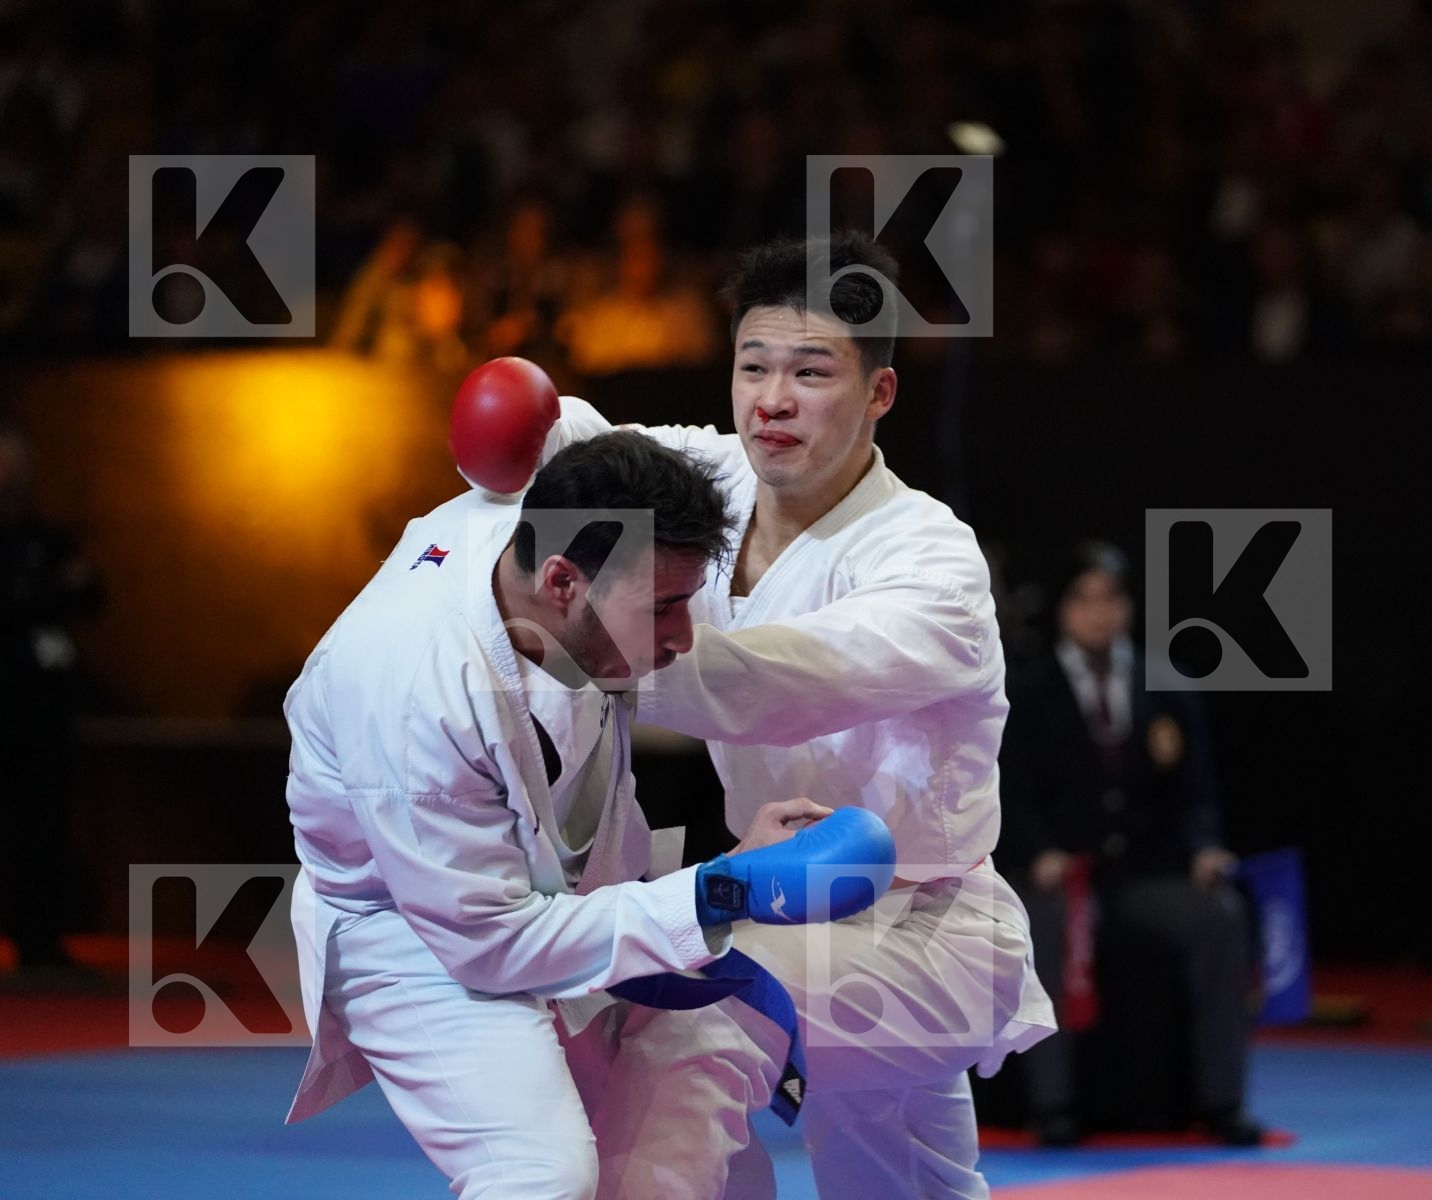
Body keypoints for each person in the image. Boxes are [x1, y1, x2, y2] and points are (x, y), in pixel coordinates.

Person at [463, 232, 1055, 1199]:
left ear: (880, 393)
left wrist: (558, 638)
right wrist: (518, 413)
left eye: (811, 371)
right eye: (753, 366)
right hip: (786, 900)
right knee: (908, 1184)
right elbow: (580, 442)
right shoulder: (720, 479)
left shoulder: (931, 564)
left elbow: (775, 685)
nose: (771, 400)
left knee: (692, 1015)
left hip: (922, 929)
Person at [283, 430, 894, 1199]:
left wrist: (715, 886)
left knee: (701, 1148)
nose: (682, 636)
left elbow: (552, 439)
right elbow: (491, 944)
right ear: (564, 581)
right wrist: (722, 889)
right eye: (664, 607)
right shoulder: (416, 697)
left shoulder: (540, 538)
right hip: (415, 932)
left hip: (560, 900)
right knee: (541, 1175)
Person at [996, 542, 1264, 1147]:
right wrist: (1037, 851)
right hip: (1061, 871)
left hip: (1145, 871)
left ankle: (1223, 1098)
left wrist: (1204, 848)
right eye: (1083, 600)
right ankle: (1053, 1102)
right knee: (1045, 924)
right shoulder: (1026, 688)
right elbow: (1011, 788)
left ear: (1128, 606)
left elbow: (1196, 791)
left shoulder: (1168, 683)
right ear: (1062, 610)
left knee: (1221, 914)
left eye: (1110, 599)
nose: (1098, 613)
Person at [0, 425, 100, 988]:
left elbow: (89, 591)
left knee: (45, 821)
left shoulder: (45, 536)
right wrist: (41, 591)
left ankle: (42, 938)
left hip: (46, 710)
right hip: (6, 702)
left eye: (22, 463)